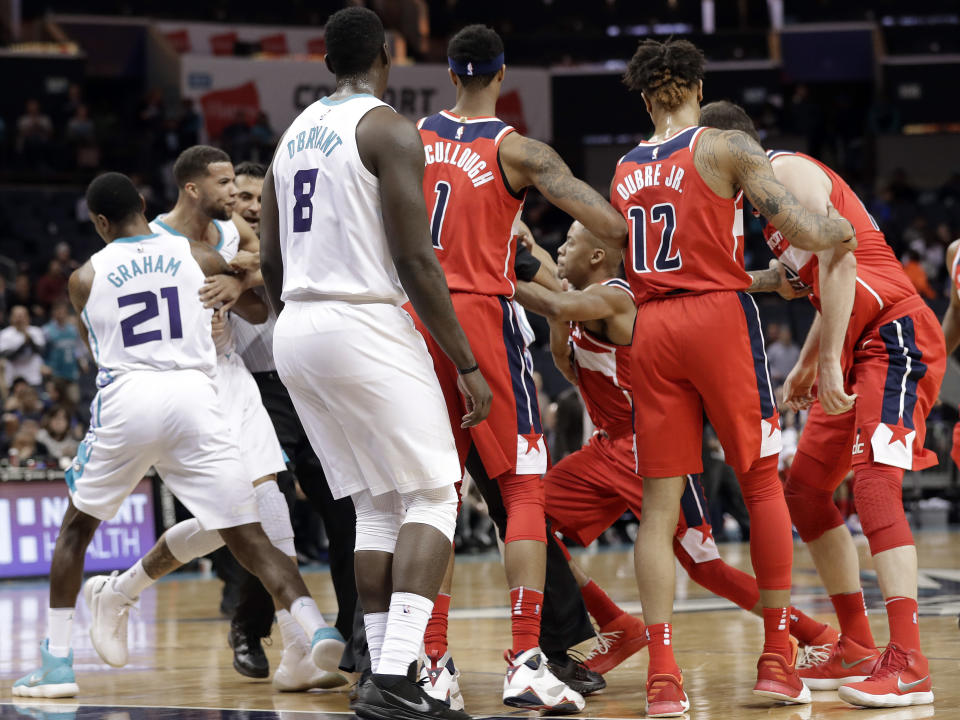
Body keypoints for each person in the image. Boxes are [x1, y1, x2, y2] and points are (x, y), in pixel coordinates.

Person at [12, 172, 339, 699]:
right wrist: (237, 281)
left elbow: (97, 343)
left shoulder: (82, 278)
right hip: (196, 397)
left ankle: (56, 666)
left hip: (130, 396)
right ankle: (314, 625)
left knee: (76, 530)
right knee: (248, 532)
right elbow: (256, 291)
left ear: (99, 222)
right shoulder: (199, 257)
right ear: (145, 203)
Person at [609, 39, 856, 716]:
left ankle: (663, 675)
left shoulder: (625, 167)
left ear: (643, 94)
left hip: (652, 329)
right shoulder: (724, 146)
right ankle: (777, 659)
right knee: (758, 483)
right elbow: (800, 222)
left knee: (659, 512)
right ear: (694, 85)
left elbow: (666, 266)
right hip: (717, 324)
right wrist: (842, 229)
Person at [260, 8, 492, 720]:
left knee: (374, 506)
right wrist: (465, 361)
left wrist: (292, 330)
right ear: (387, 56)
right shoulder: (387, 127)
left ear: (326, 60)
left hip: (294, 323)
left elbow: (269, 260)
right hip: (360, 317)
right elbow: (416, 259)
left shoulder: (290, 137)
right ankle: (397, 672)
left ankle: (381, 672)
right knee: (434, 492)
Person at [408, 24, 624, 714]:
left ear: (448, 72)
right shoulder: (518, 150)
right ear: (502, 75)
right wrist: (518, 239)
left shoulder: (409, 137)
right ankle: (526, 659)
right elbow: (610, 224)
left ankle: (431, 661)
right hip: (481, 315)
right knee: (523, 489)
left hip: (414, 319)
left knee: (433, 495)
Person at [700, 99, 944, 708]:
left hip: (894, 334)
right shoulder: (766, 212)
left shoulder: (787, 170)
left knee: (875, 486)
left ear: (729, 148)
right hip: (856, 349)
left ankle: (910, 661)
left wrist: (827, 358)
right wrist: (812, 363)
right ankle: (858, 645)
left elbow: (842, 258)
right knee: (805, 492)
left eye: (702, 156)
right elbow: (815, 286)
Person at [515, 220, 837, 676]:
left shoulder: (613, 296)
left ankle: (813, 633)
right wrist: (521, 237)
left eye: (568, 241)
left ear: (597, 257)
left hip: (650, 445)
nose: (558, 248)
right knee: (527, 520)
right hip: (605, 448)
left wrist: (496, 263)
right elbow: (549, 277)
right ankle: (615, 622)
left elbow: (553, 298)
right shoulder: (580, 293)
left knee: (706, 569)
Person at [215, 159, 360, 690]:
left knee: (346, 508)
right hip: (254, 386)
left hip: (312, 383)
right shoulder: (222, 245)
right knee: (271, 512)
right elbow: (249, 265)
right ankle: (250, 627)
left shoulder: (295, 242)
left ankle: (351, 634)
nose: (253, 205)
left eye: (261, 197)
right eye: (245, 196)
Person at [0, 306, 46, 388]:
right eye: (17, 316)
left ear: (28, 317)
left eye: (22, 316)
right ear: (11, 318)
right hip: (13, 379)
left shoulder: (36, 331)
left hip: (33, 377)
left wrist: (30, 341)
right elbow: (7, 356)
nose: (20, 319)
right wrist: (23, 345)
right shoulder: (5, 334)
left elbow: (40, 351)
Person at [43, 300, 82, 383]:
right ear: (53, 313)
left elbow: (76, 348)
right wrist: (44, 365)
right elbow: (42, 352)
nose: (60, 314)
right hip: (54, 372)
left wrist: (81, 360)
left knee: (74, 396)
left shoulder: (73, 330)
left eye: (62, 311)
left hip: (71, 372)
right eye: (58, 311)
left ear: (66, 313)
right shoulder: (46, 331)